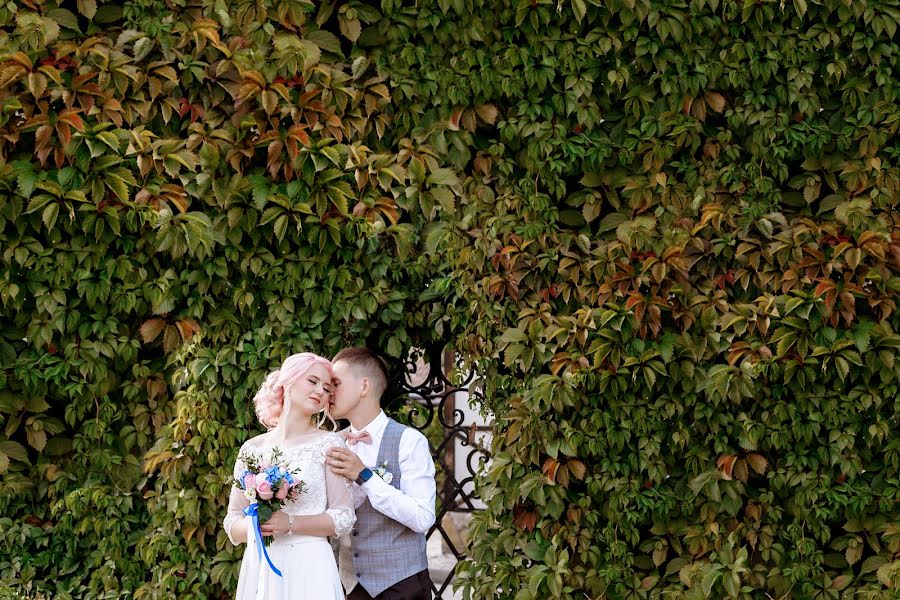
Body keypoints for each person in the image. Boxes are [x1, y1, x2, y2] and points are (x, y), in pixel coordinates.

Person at [223, 352, 356, 600]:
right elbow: (232, 521)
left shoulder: (329, 445)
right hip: (263, 565)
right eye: (312, 381)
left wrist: (291, 524)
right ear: (289, 381)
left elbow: (344, 517)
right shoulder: (252, 449)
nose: (320, 391)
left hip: (310, 565)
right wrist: (255, 526)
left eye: (327, 388)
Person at [325, 347, 436, 600]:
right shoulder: (330, 444)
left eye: (336, 383)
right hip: (347, 585)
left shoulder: (409, 441)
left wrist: (365, 476)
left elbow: (423, 518)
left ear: (364, 386)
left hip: (402, 584)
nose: (328, 392)